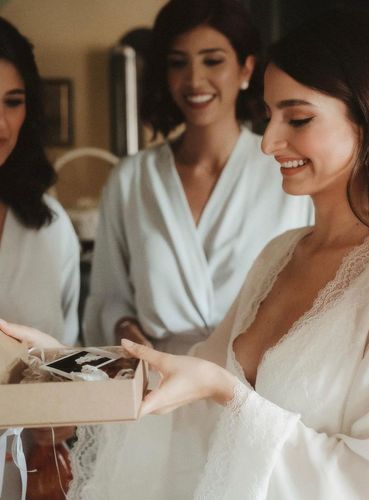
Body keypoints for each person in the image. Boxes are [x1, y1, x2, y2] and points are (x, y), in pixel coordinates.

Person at [3, 6, 369, 500]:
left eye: (297, 118)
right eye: (269, 116)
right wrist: (61, 361)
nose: (269, 142)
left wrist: (226, 392)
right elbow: (182, 388)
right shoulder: (279, 256)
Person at [83, 0, 313, 354]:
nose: (193, 80)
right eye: (178, 63)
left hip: (256, 376)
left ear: (246, 68)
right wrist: (123, 327)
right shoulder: (131, 180)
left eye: (212, 61)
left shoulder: (287, 172)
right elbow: (107, 296)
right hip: (157, 375)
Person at [0, 17, 80, 500]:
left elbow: (64, 358)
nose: (1, 125)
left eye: (13, 102)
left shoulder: (47, 225)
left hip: (24, 474)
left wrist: (52, 438)